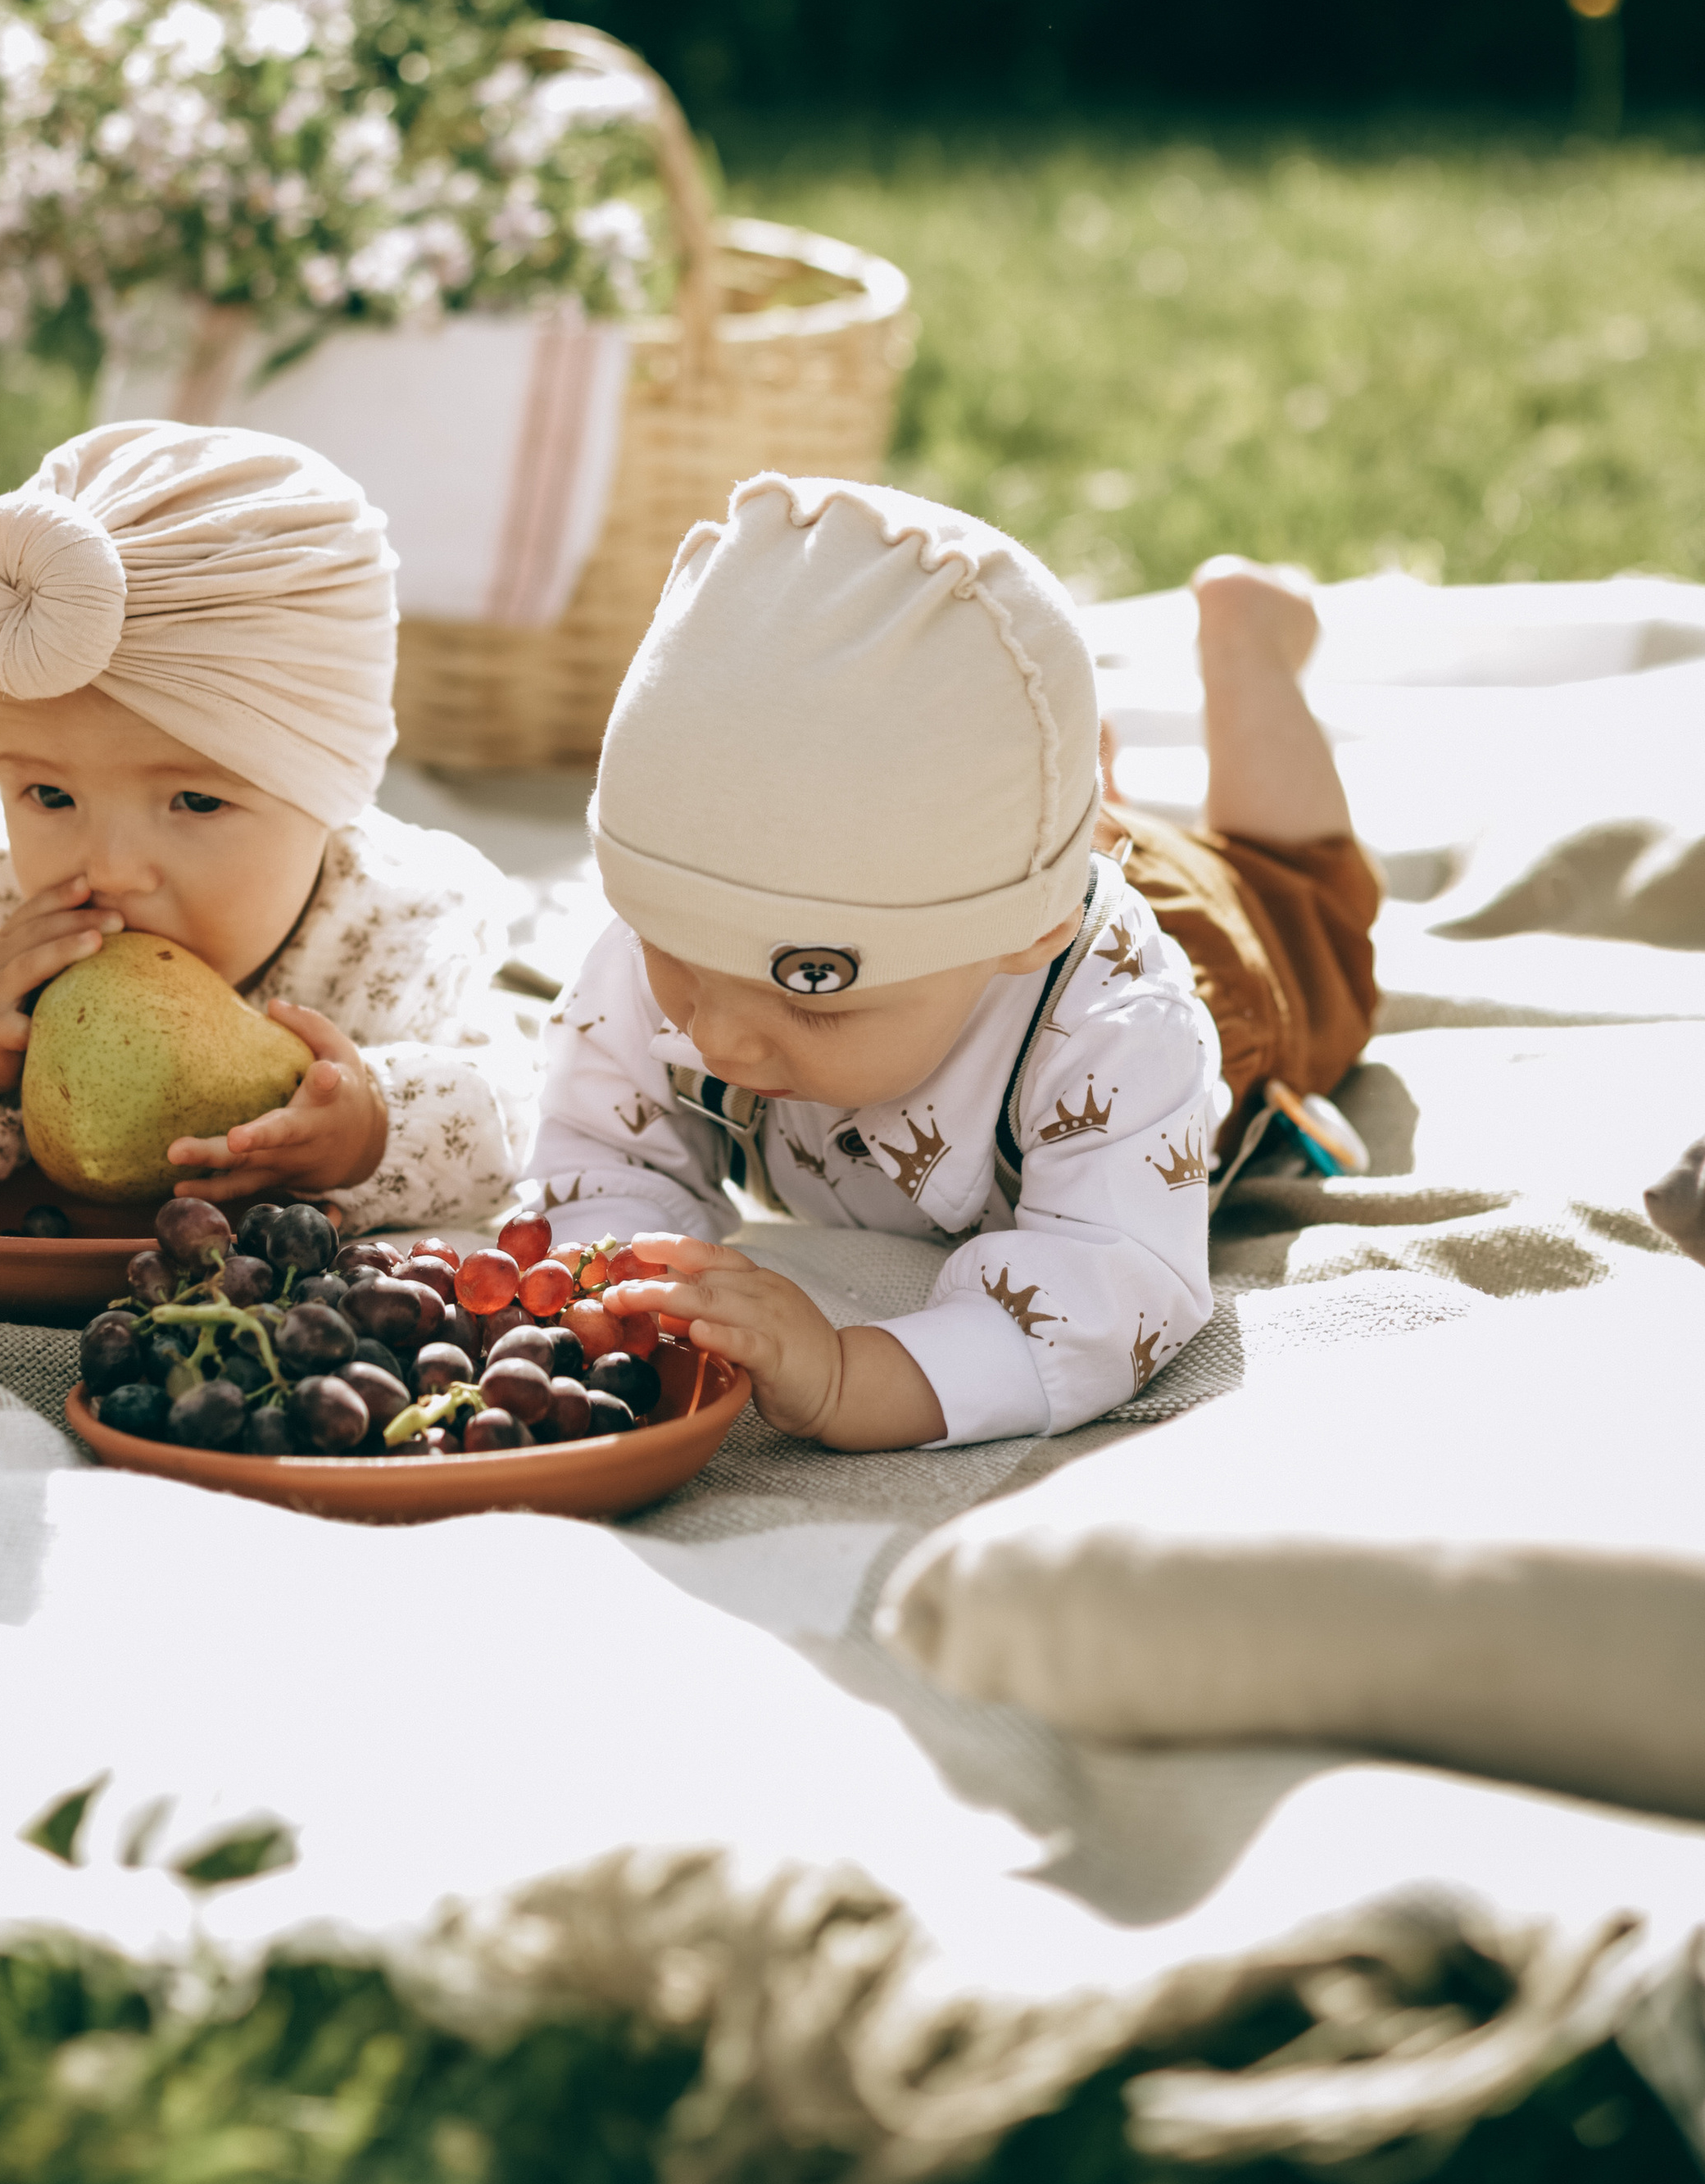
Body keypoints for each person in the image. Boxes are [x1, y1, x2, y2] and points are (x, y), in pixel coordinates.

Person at [522, 474, 1377, 1452]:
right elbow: (601, 1148)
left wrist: (851, 1375)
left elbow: (1110, 1297)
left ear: (1030, 928)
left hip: (1204, 945)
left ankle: (1244, 641)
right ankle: (1061, 788)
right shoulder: (700, 918)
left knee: (1299, 888)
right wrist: (619, 1273)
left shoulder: (1122, 1035)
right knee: (976, 825)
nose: (714, 1035)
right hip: (975, 878)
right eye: (671, 950)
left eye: (813, 995)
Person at [0, 420, 530, 1226]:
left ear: (330, 791)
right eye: (50, 796)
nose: (111, 867)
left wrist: (368, 1133)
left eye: (197, 802)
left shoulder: (389, 938)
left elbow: (515, 1122)